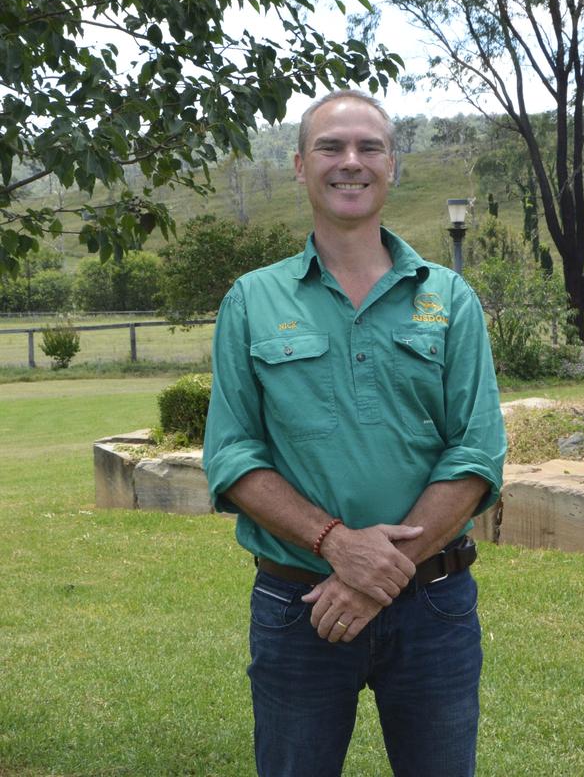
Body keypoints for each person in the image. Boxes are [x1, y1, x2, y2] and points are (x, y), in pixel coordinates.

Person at [203, 90, 507, 777]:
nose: (351, 161)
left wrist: (376, 576)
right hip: (299, 605)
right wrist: (338, 545)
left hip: (435, 609)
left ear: (392, 165)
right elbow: (231, 453)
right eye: (331, 147)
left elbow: (477, 451)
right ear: (299, 165)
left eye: (369, 147)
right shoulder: (253, 301)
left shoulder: (448, 298)